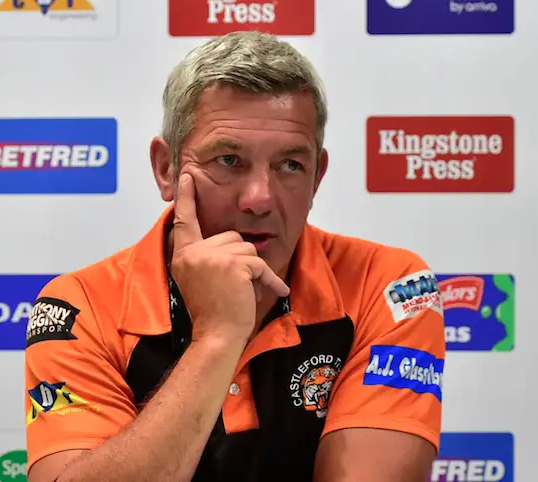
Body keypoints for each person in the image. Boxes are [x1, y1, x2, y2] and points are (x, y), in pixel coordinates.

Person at [23, 31, 446, 482]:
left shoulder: (388, 285)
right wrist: (218, 336)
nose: (260, 198)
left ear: (317, 177)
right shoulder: (81, 305)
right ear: (166, 168)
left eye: (290, 165)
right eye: (228, 160)